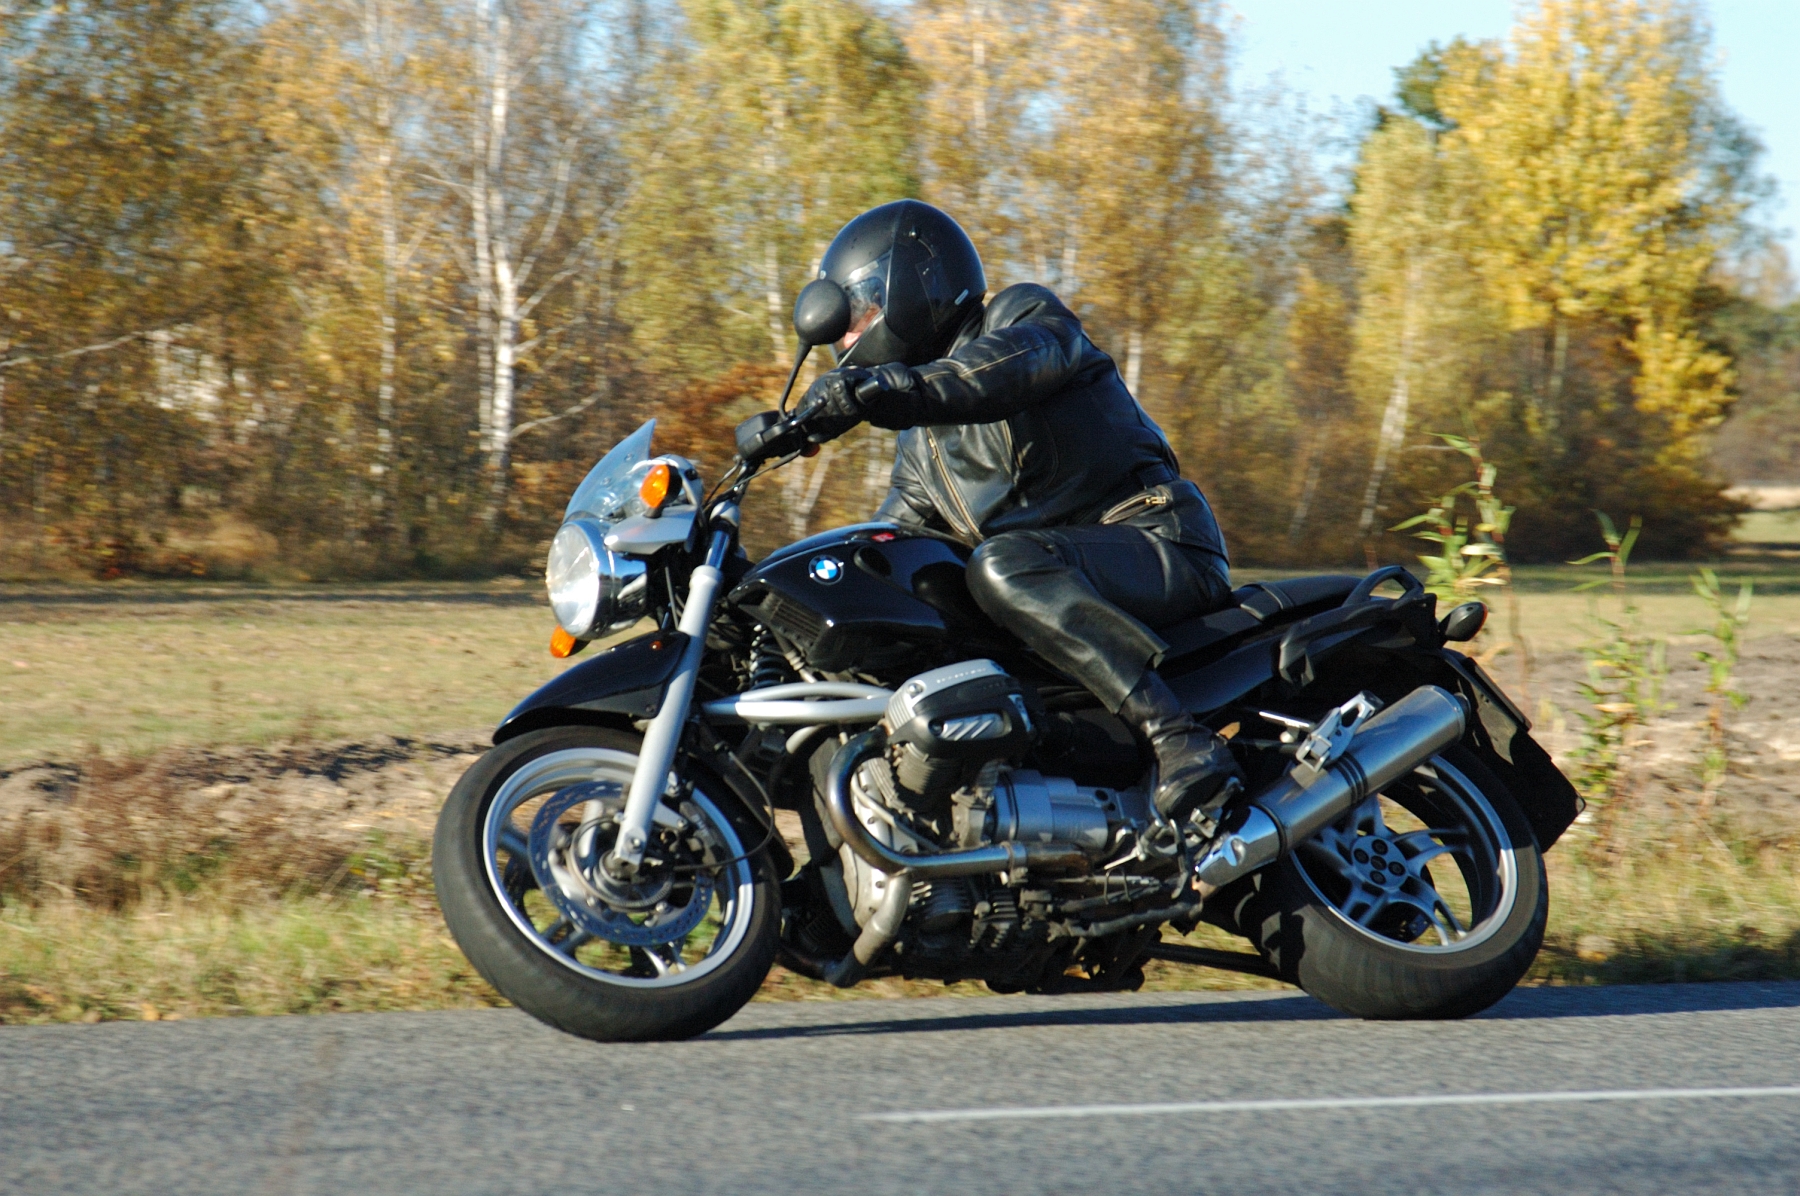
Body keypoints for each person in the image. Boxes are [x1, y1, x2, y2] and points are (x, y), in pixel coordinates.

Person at [789, 199, 1241, 827]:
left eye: (859, 310)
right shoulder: (920, 450)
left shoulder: (1023, 317)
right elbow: (889, 542)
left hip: (1155, 539)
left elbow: (1000, 372)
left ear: (913, 282)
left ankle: (1177, 735)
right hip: (1057, 583)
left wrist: (883, 390)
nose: (845, 336)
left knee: (1001, 564)